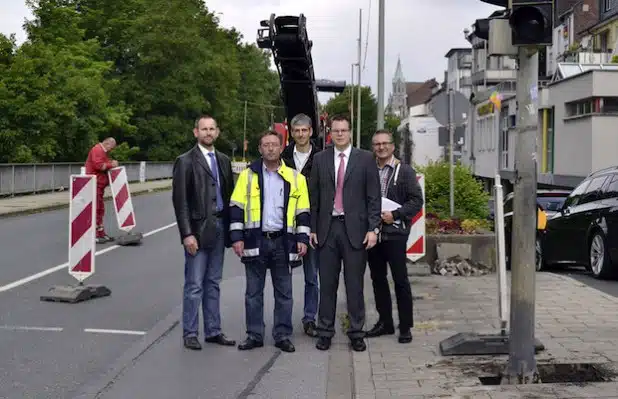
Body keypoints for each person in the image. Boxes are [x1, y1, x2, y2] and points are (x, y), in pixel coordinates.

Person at [230, 130, 310, 353]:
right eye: (266, 145)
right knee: (253, 293)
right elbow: (236, 208)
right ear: (260, 149)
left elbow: (303, 213)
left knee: (284, 293)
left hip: (283, 243)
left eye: (275, 144)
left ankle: (282, 335)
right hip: (255, 240)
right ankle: (254, 335)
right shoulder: (247, 176)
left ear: (281, 147)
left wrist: (302, 239)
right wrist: (236, 238)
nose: (271, 148)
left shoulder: (295, 178)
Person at [309, 114, 381, 352]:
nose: (339, 134)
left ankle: (357, 333)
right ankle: (325, 331)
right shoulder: (320, 159)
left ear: (350, 132)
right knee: (327, 284)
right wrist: (312, 228)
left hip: (356, 231)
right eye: (335, 130)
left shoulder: (366, 159)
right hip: (327, 229)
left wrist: (373, 229)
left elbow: (373, 198)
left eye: (343, 130)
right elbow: (315, 197)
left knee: (354, 285)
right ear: (330, 132)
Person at [172, 115, 236, 351]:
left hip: (220, 226)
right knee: (194, 284)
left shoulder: (224, 160)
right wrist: (187, 234)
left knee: (213, 282)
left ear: (217, 132)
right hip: (198, 231)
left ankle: (213, 330)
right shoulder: (185, 161)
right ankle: (190, 332)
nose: (208, 133)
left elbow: (229, 197)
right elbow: (181, 202)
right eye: (204, 129)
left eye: (212, 129)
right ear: (195, 132)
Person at [365, 129, 423, 344]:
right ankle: (385, 322)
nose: (381, 147)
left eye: (385, 143)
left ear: (392, 146)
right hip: (373, 234)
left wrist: (395, 215)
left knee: (400, 280)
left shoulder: (405, 171)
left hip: (395, 234)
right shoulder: (368, 169)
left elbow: (417, 201)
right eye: (377, 144)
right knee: (377, 279)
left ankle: (405, 326)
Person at [281, 113, 321, 337]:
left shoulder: (322, 157)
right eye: (296, 131)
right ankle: (283, 320)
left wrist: (315, 227)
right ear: (292, 133)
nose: (301, 134)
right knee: (283, 277)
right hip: (286, 226)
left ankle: (309, 318)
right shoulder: (283, 156)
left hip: (312, 225)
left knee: (311, 277)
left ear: (311, 132)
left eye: (304, 130)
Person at [85, 137, 118, 244]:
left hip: (99, 185)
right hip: (95, 184)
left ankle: (101, 233)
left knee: (99, 209)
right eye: (111, 148)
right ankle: (94, 234)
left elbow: (103, 163)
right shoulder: (97, 150)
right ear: (107, 143)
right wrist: (111, 164)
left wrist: (109, 163)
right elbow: (99, 166)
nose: (111, 150)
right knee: (96, 209)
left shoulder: (102, 151)